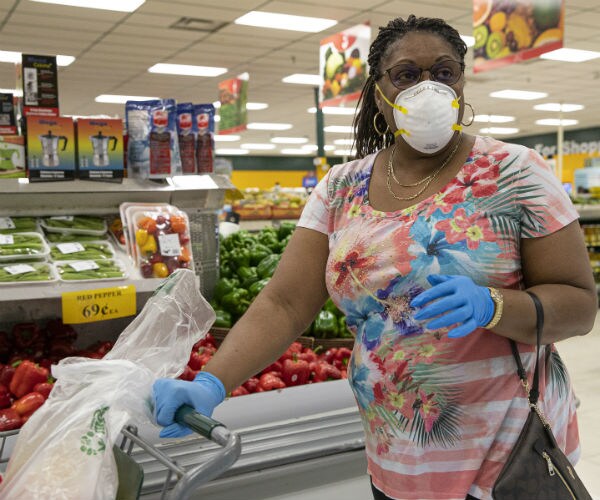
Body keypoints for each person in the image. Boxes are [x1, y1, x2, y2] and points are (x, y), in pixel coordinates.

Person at [152, 15, 597, 500]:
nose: (428, 88)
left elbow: (579, 305)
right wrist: (211, 383)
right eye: (406, 75)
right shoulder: (341, 188)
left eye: (444, 72)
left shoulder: (514, 171)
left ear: (462, 82)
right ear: (379, 92)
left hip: (511, 459)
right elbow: (284, 303)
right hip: (398, 455)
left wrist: (495, 305)